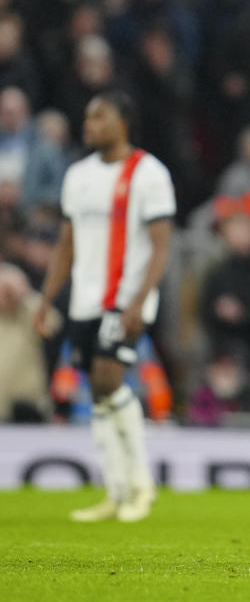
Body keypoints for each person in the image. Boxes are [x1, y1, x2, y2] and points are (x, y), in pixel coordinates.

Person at [34, 90, 175, 522]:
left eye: (99, 116)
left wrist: (139, 300)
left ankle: (141, 486)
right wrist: (46, 298)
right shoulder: (78, 175)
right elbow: (67, 243)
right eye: (87, 116)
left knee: (109, 380)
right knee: (96, 393)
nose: (88, 123)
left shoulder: (149, 173)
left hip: (125, 299)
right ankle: (115, 492)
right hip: (83, 300)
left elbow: (161, 246)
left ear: (123, 123)